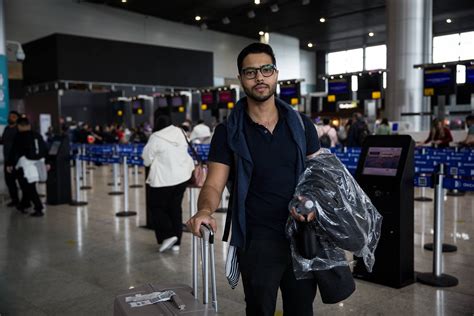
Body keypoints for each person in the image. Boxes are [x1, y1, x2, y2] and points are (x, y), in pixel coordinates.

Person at [187, 43, 354, 316]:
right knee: (259, 309)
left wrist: (314, 205)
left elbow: (319, 178)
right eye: (250, 72)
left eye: (266, 69)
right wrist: (204, 210)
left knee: (301, 309)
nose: (260, 77)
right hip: (256, 241)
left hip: (301, 237)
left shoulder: (301, 125)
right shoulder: (228, 132)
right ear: (241, 79)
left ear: (276, 73)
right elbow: (214, 184)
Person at [142, 115, 195, 252]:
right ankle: (176, 243)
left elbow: (147, 159)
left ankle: (168, 235)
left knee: (156, 207)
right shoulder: (180, 132)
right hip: (182, 176)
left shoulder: (155, 137)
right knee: (175, 208)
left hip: (163, 179)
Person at [6, 117, 48, 216]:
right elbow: (44, 149)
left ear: (19, 126)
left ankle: (38, 208)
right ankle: (24, 204)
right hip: (37, 164)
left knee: (28, 187)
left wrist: (9, 164)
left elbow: (14, 151)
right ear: (29, 125)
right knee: (29, 186)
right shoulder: (37, 135)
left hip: (25, 165)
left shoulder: (19, 136)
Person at [1, 111, 20, 207]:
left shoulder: (19, 129)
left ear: (17, 118)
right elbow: (2, 140)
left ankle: (26, 201)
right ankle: (15, 200)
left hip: (17, 160)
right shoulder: (7, 128)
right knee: (9, 181)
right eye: (9, 116)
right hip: (7, 159)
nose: (10, 118)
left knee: (21, 181)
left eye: (13, 117)